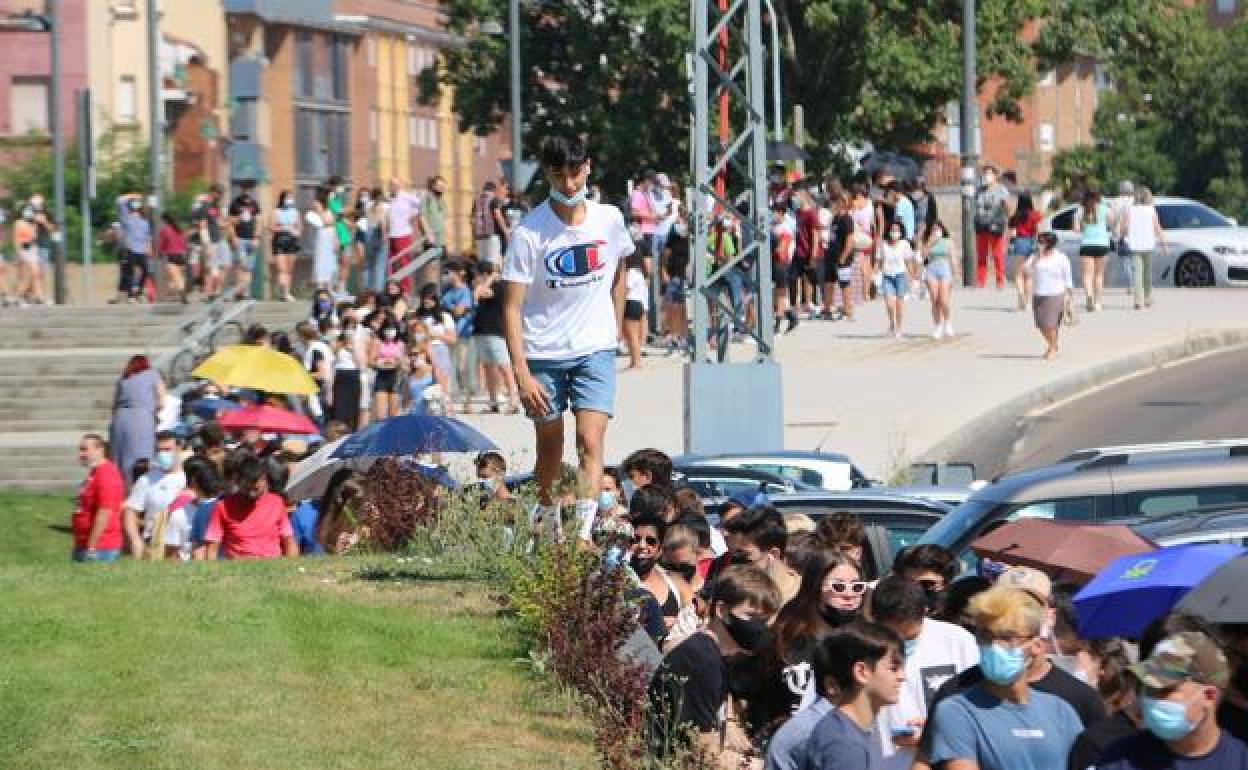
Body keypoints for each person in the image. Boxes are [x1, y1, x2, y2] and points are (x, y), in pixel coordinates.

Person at [501, 135, 634, 544]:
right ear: (548, 174)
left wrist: (612, 330)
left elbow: (619, 274)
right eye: (560, 175)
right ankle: (546, 520)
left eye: (576, 173)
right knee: (551, 444)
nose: (570, 184)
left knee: (590, 439)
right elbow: (511, 307)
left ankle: (582, 532)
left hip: (594, 348)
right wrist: (521, 374)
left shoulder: (609, 218)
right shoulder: (529, 232)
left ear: (587, 167)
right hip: (543, 352)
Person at [924, 586, 1084, 770]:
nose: (994, 645)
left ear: (1037, 645)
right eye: (986, 635)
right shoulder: (956, 711)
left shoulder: (1062, 712)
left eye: (1007, 637)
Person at [648, 565, 782, 767]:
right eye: (752, 617)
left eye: (764, 621)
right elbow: (704, 753)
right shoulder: (702, 662)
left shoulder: (713, 655)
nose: (759, 628)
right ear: (721, 610)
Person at [1096, 630, 1248, 769]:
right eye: (1147, 687)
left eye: (1165, 689)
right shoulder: (1118, 760)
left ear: (1209, 696)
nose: (1151, 699)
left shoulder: (1241, 761)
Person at [872, 576, 979, 770]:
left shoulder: (958, 641)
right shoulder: (859, 644)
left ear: (925, 611)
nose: (902, 642)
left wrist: (931, 732)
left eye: (910, 635)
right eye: (893, 634)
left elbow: (976, 706)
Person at [803, 622, 908, 770]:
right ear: (861, 672)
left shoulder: (847, 732)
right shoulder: (844, 744)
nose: (902, 677)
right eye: (894, 668)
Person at [200, 453, 299, 559]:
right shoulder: (222, 507)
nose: (252, 491)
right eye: (247, 487)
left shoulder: (276, 502)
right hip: (237, 568)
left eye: (256, 487)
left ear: (265, 480)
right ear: (237, 481)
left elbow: (289, 540)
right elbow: (212, 547)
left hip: (272, 563)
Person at [121, 431, 187, 559]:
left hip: (185, 546)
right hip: (155, 544)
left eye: (167, 449)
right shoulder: (146, 479)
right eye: (159, 450)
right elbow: (131, 511)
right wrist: (135, 540)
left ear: (178, 449)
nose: (163, 454)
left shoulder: (189, 477)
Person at [109, 355, 166, 485]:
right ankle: (139, 487)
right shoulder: (153, 374)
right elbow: (162, 401)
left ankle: (120, 489)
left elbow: (114, 404)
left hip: (120, 418)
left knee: (119, 456)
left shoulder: (124, 378)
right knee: (141, 455)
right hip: (142, 417)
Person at [724, 505, 801, 603]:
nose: (733, 566)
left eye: (742, 557)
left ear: (773, 554)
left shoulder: (807, 599)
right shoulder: (732, 593)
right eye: (732, 556)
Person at [471, 262, 519, 414]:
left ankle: (513, 399)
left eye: (479, 274)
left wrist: (490, 277)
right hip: (481, 331)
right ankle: (493, 402)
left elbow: (480, 293)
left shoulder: (498, 287)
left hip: (496, 332)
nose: (476, 278)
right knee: (488, 367)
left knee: (504, 366)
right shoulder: (486, 285)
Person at [72, 434, 126, 563]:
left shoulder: (106, 474)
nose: (81, 454)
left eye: (84, 449)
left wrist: (91, 546)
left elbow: (104, 512)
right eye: (80, 449)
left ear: (100, 450)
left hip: (101, 548)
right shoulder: (95, 472)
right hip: (85, 543)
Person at [1024, 231, 1074, 360]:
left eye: (1041, 242)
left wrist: (1069, 295)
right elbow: (1026, 271)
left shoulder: (1060, 258)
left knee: (1050, 324)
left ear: (1049, 244)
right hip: (1039, 294)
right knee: (1041, 324)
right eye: (1038, 242)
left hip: (1055, 294)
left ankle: (1052, 348)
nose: (1038, 245)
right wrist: (1036, 259)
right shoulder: (1035, 257)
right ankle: (1053, 344)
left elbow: (1067, 277)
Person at [1121, 186, 1166, 311]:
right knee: (1147, 272)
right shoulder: (1151, 210)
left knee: (1137, 273)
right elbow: (1157, 227)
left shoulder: (1131, 210)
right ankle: (1147, 297)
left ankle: (1137, 300)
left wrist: (1121, 235)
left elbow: (1124, 226)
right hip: (1148, 244)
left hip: (1135, 245)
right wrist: (1163, 244)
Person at [440, 262, 476, 410]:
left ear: (460, 273)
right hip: (448, 335)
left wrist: (449, 309)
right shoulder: (447, 292)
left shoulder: (465, 291)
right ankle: (451, 400)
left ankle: (468, 401)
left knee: (465, 368)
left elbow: (459, 311)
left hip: (464, 335)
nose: (447, 276)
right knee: (450, 368)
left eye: (450, 272)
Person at [973, 165, 1011, 288]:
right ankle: (980, 280)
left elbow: (1007, 207)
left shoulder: (1001, 190)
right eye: (985, 174)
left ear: (995, 175)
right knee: (981, 254)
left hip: (996, 225)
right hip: (981, 225)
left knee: (997, 255)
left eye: (989, 173)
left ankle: (1000, 280)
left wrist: (1008, 222)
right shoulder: (979, 190)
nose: (987, 176)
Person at [1075, 189, 1112, 312]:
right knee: (1099, 275)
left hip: (1086, 244)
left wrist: (1084, 227)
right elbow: (1111, 222)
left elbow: (1076, 229)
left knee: (1087, 275)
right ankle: (1098, 302)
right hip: (1102, 243)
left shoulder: (1080, 210)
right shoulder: (1104, 208)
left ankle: (1089, 297)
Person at [922, 221, 958, 338]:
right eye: (934, 229)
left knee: (944, 300)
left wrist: (955, 272)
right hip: (931, 269)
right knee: (935, 299)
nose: (936, 231)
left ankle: (947, 322)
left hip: (944, 268)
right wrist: (929, 243)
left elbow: (952, 258)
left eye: (938, 229)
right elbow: (923, 256)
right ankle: (938, 325)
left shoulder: (948, 242)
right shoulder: (928, 241)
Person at [877, 222, 912, 338]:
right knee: (889, 303)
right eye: (892, 230)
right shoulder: (883, 244)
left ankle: (899, 328)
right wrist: (877, 273)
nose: (894, 232)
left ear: (901, 232)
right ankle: (892, 322)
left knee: (899, 303)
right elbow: (880, 261)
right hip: (887, 275)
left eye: (897, 230)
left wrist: (912, 276)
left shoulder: (904, 244)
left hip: (900, 275)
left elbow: (908, 261)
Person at [116, 193, 153, 303]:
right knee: (130, 272)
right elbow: (119, 200)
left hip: (141, 250)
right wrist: (133, 195)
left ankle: (140, 292)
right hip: (130, 249)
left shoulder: (144, 221)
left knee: (146, 271)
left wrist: (149, 248)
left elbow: (147, 237)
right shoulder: (126, 218)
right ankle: (131, 295)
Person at [1009, 191, 1042, 311]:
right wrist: (1038, 244)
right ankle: (1027, 303)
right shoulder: (1035, 215)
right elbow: (1038, 230)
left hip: (1019, 242)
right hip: (1031, 243)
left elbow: (1011, 231)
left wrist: (1010, 244)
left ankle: (1020, 296)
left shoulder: (1016, 216)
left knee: (1018, 273)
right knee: (1029, 275)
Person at [368, 314, 405, 420]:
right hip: (382, 377)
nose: (390, 332)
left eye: (392, 329)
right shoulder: (378, 342)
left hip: (395, 377)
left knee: (394, 414)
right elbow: (370, 361)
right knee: (381, 415)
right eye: (387, 329)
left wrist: (397, 362)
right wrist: (381, 362)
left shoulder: (400, 344)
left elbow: (403, 362)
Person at [771, 200, 800, 334]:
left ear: (781, 213)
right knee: (777, 293)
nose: (772, 214)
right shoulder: (773, 226)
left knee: (781, 293)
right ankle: (791, 316)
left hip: (781, 263)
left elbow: (781, 249)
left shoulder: (784, 228)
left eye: (774, 212)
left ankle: (778, 322)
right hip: (775, 263)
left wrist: (771, 247)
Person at [228, 182, 261, 297]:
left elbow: (258, 221)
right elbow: (230, 222)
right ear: (241, 190)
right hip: (240, 238)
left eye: (249, 189)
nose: (247, 191)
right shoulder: (235, 203)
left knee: (249, 267)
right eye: (245, 189)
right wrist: (234, 237)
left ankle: (246, 291)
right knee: (241, 265)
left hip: (251, 239)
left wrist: (256, 237)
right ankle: (239, 290)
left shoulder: (254, 204)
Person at [269, 190, 301, 302]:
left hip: (292, 241)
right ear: (282, 199)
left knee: (289, 269)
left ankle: (287, 292)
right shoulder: (276, 211)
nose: (290, 200)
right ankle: (283, 291)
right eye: (288, 197)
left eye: (291, 197)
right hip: (280, 240)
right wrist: (284, 228)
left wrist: (296, 232)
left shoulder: (295, 212)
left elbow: (299, 227)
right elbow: (271, 227)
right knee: (282, 269)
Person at [309, 186, 338, 291]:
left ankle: (329, 286)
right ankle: (320, 286)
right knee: (322, 258)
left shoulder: (331, 206)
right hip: (323, 233)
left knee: (331, 259)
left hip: (331, 232)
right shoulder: (318, 204)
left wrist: (336, 240)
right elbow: (324, 220)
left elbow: (334, 222)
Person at [622, 252, 648, 369]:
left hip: (631, 303)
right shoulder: (640, 273)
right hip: (639, 303)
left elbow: (626, 289)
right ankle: (634, 361)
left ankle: (636, 362)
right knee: (634, 335)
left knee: (631, 335)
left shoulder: (631, 273)